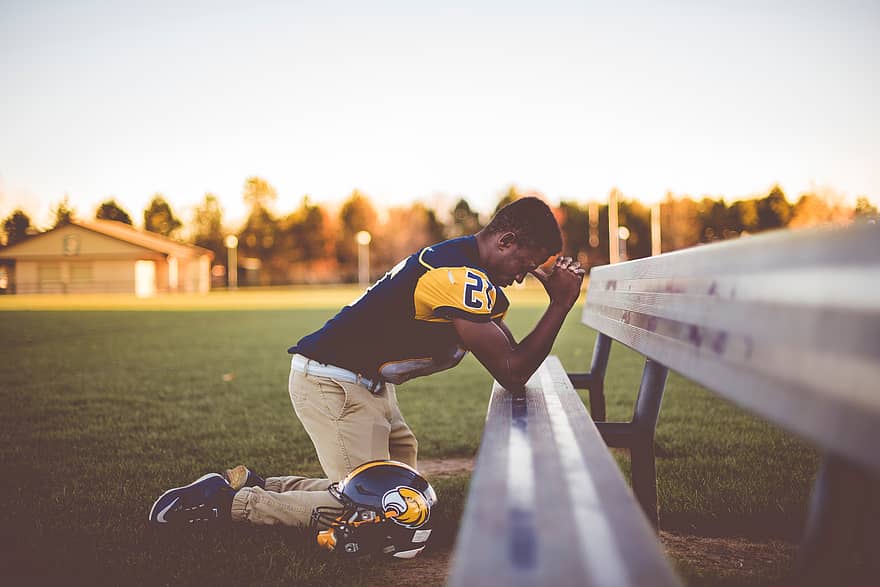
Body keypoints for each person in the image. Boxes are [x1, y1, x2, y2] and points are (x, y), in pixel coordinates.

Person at [149, 196, 585, 533]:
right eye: (524, 264)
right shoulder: (459, 275)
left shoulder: (464, 264)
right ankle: (225, 505)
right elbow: (512, 371)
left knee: (401, 495)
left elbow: (508, 353)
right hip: (334, 383)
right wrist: (561, 305)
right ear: (505, 241)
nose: (522, 275)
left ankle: (254, 485)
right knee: (373, 509)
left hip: (362, 384)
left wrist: (556, 304)